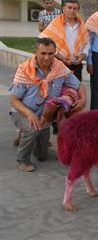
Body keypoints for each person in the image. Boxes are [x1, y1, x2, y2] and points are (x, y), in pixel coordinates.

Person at [9, 38, 86, 172]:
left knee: (42, 156)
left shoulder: (59, 68)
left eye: (51, 53)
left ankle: (27, 136)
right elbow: (14, 100)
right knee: (32, 128)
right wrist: (29, 114)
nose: (47, 57)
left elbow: (78, 85)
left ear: (55, 53)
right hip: (22, 112)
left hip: (45, 115)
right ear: (36, 52)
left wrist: (83, 99)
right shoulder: (25, 69)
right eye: (43, 53)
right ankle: (22, 160)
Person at [39, 0, 89, 82]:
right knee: (58, 91)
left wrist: (82, 56)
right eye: (69, 7)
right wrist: (61, 57)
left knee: (75, 90)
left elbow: (87, 43)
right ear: (63, 9)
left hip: (76, 65)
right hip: (58, 63)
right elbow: (43, 42)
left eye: (75, 8)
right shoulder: (55, 24)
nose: (72, 10)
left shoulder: (81, 25)